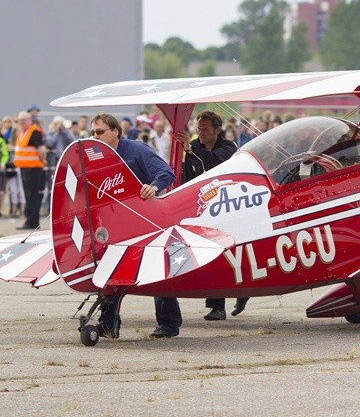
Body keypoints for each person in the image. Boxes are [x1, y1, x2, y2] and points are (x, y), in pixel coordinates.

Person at [90, 113, 177, 339]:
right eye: (92, 132)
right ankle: (108, 324)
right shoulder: (95, 156)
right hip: (117, 224)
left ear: (115, 132)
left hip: (148, 220)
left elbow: (167, 173)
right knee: (110, 269)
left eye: (99, 132)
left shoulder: (136, 150)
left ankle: (168, 322)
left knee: (157, 266)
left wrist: (154, 187)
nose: (95, 136)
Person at [175, 110, 249, 320]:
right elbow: (189, 176)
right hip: (206, 208)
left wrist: (189, 149)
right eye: (199, 129)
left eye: (205, 129)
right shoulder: (195, 146)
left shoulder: (229, 147)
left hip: (231, 207)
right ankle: (217, 306)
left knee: (235, 251)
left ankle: (243, 292)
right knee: (215, 254)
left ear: (217, 130)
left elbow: (214, 164)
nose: (201, 133)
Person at [14, 111, 46, 229]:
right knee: (29, 195)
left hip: (33, 168)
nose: (21, 123)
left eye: (23, 120)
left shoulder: (34, 131)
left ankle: (31, 221)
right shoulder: (23, 132)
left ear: (29, 120)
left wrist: (43, 160)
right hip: (25, 168)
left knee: (32, 195)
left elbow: (41, 149)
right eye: (19, 120)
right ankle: (31, 220)